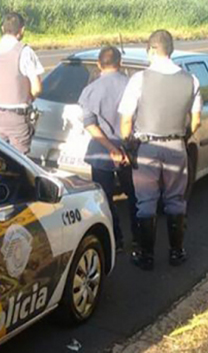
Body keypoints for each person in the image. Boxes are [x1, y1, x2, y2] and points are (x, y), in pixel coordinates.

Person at [119, 30, 202, 270]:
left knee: (146, 201)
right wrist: (181, 137)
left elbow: (126, 120)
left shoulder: (139, 79)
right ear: (171, 49)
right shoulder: (191, 80)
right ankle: (176, 252)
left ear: (152, 50)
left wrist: (128, 144)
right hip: (176, 145)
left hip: (147, 147)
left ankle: (146, 256)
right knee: (176, 200)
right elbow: (196, 121)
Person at [79, 46, 138, 251]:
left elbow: (89, 124)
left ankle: (116, 240)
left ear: (98, 64)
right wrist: (123, 147)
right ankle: (139, 237)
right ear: (120, 63)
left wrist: (110, 148)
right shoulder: (132, 86)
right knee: (135, 196)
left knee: (105, 199)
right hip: (130, 152)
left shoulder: (90, 90)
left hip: (101, 153)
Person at [0, 12, 44, 154]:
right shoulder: (24, 51)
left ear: (2, 29)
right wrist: (28, 96)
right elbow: (36, 88)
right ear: (22, 30)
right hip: (17, 118)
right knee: (19, 163)